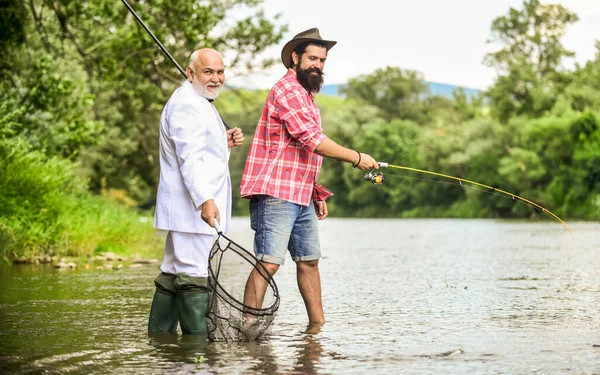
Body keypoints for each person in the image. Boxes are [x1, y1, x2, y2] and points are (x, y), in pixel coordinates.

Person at [240, 28, 379, 323]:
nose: (317, 65)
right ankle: (248, 327)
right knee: (269, 262)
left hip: (300, 194)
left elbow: (301, 152)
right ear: (295, 57)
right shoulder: (287, 90)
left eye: (322, 60)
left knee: (309, 261)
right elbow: (312, 140)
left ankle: (317, 329)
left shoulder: (307, 94)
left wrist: (315, 191)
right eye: (312, 58)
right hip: (275, 194)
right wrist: (356, 158)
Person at [148, 48, 245, 335]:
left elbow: (199, 149)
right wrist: (205, 200)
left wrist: (221, 141)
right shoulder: (188, 104)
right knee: (193, 274)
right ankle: (197, 351)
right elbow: (188, 157)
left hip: (189, 209)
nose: (216, 78)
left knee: (173, 270)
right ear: (190, 73)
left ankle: (161, 344)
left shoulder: (196, 100)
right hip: (192, 209)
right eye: (208, 72)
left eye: (220, 71)